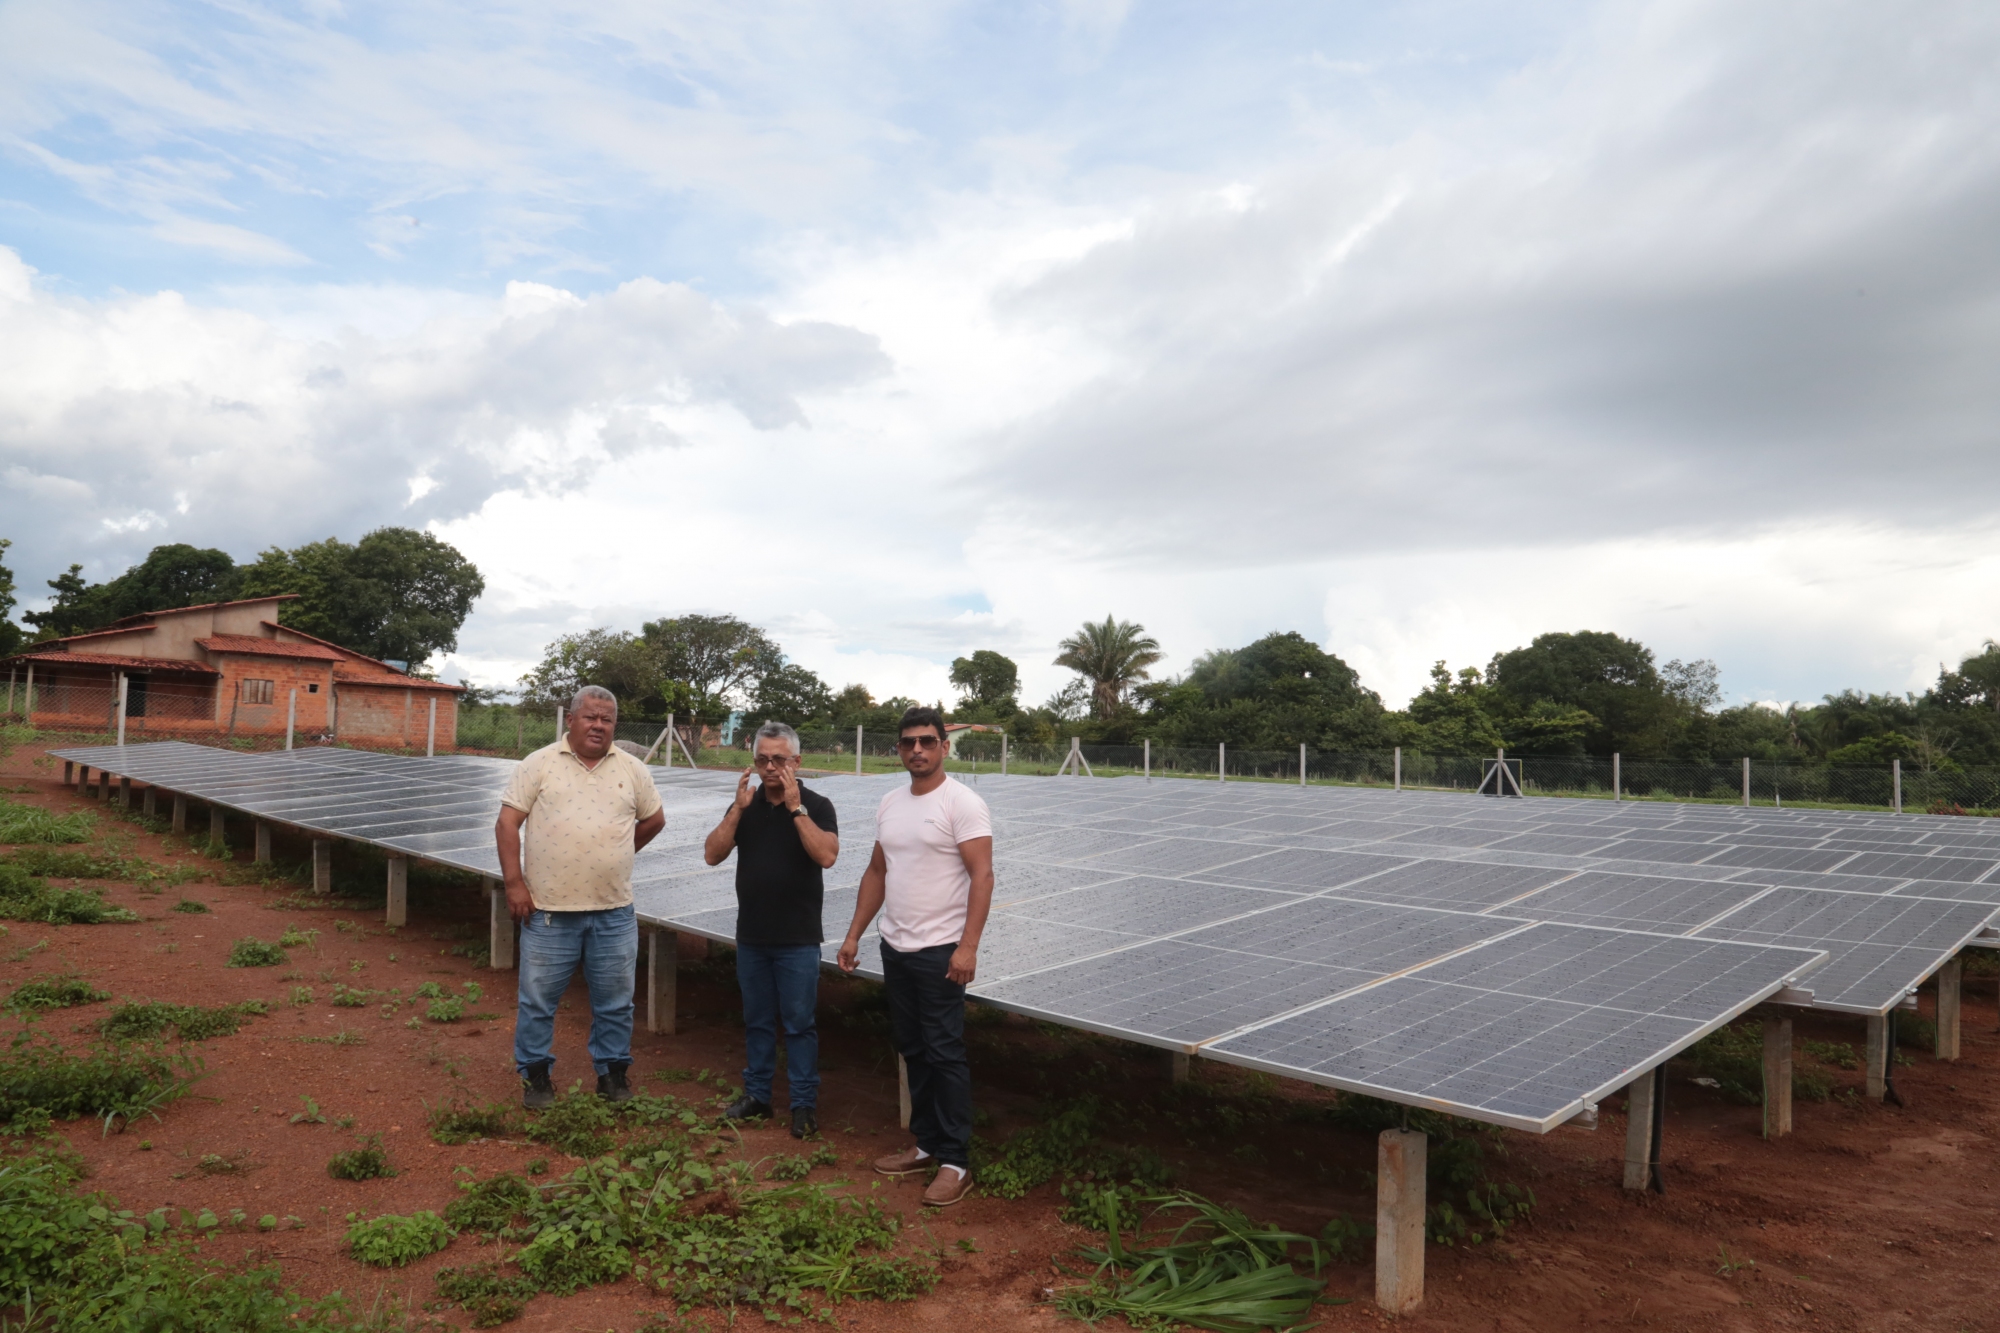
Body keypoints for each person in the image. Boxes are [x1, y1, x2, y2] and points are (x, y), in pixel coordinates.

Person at [837, 705, 994, 1207]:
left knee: (944, 1052)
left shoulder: (962, 803)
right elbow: (877, 872)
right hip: (896, 947)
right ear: (899, 749)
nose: (918, 750)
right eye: (908, 742)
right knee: (913, 1047)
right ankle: (926, 1144)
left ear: (944, 746)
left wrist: (967, 946)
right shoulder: (890, 803)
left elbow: (983, 875)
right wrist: (854, 935)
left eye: (927, 741)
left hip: (941, 951)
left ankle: (956, 1161)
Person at [495, 685, 666, 1109]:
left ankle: (612, 1074)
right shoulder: (538, 764)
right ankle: (536, 1077)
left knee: (616, 1004)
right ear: (571, 719)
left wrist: (619, 850)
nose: (598, 725)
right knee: (538, 1001)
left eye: (607, 719)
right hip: (549, 912)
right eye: (590, 717)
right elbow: (506, 824)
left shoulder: (632, 769)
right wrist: (514, 884)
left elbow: (655, 819)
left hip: (614, 912)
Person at [702, 721, 840, 1138]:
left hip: (798, 939)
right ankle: (758, 1096)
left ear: (796, 761)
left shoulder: (817, 804)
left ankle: (803, 1104)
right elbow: (712, 854)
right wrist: (737, 809)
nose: (770, 767)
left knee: (799, 1024)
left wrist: (796, 809)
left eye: (779, 759)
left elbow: (826, 855)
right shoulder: (747, 804)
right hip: (753, 936)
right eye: (762, 759)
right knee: (757, 1020)